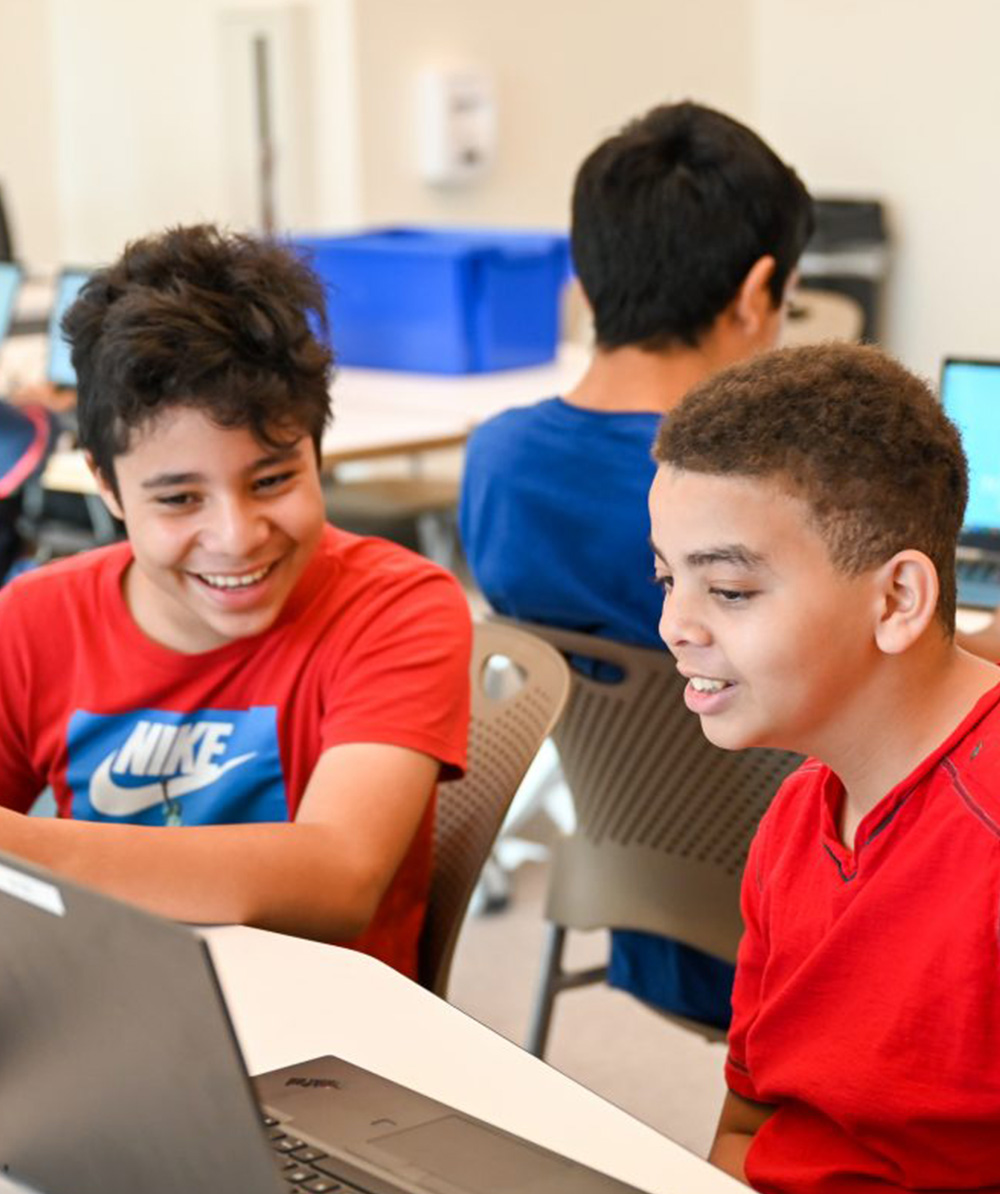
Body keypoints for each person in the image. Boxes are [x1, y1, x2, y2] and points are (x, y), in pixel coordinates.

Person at [0, 224, 472, 979]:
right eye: (180, 498)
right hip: (106, 1005)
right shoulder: (32, 620)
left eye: (273, 480)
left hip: (330, 1041)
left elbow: (339, 877)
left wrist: (24, 847)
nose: (236, 536)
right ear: (107, 485)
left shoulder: (399, 607)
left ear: (318, 452)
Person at [459, 100, 813, 1028]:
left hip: (636, 883)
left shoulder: (497, 459)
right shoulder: (757, 491)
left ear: (585, 277)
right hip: (803, 912)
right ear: (755, 292)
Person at [649, 342, 1000, 1193]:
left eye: (728, 591)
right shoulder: (800, 813)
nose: (674, 626)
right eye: (666, 579)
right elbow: (750, 1122)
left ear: (896, 601)